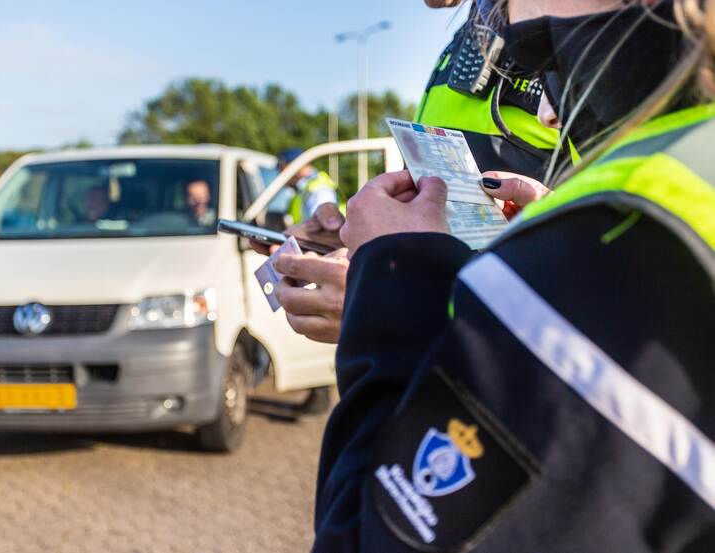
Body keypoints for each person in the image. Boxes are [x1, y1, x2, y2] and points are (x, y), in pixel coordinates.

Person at [312, 0, 715, 551]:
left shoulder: (632, 237)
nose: (552, 112)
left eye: (555, 59)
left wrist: (391, 282)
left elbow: (364, 537)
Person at [272, 0, 564, 345]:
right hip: (449, 367)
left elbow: (613, 264)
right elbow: (455, 220)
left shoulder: (584, 27)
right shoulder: (466, 40)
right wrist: (362, 243)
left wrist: (390, 295)